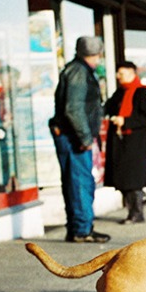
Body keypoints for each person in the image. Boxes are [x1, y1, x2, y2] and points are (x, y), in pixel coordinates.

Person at [50, 35, 109, 243]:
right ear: (95, 54)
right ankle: (81, 230)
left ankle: (80, 227)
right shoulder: (78, 72)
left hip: (72, 135)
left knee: (77, 182)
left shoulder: (77, 70)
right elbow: (74, 108)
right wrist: (85, 137)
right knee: (80, 183)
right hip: (74, 138)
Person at [103, 61, 146, 224]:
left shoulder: (141, 92)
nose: (118, 77)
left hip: (134, 144)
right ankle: (133, 210)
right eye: (118, 74)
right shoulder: (119, 92)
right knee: (123, 180)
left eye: (122, 74)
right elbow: (107, 108)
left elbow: (145, 116)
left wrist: (125, 121)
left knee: (133, 181)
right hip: (119, 143)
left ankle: (136, 213)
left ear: (132, 74)